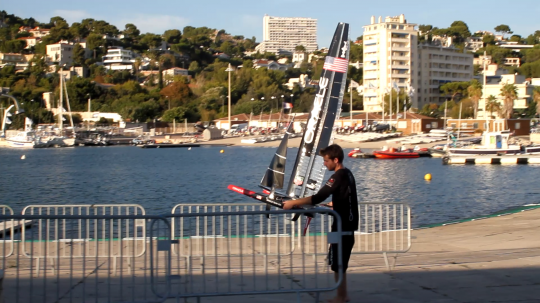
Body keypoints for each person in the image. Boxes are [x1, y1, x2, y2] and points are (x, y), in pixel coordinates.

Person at [283, 144, 359, 303]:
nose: (324, 164)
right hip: (348, 226)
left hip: (340, 226)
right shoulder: (348, 173)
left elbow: (317, 197)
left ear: (335, 160)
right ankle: (343, 296)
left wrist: (293, 202)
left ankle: (341, 297)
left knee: (337, 262)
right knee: (340, 263)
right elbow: (347, 195)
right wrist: (335, 203)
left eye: (326, 161)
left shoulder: (337, 176)